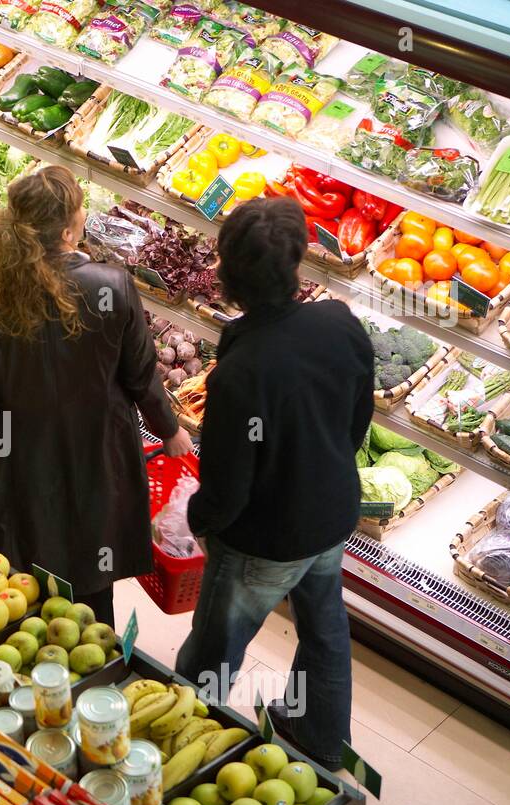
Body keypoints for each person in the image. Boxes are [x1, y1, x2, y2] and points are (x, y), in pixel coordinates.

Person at [175, 196, 374, 771]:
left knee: (216, 646)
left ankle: (185, 749)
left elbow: (230, 483)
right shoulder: (340, 323)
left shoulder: (242, 371)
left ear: (227, 275)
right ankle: (319, 736)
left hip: (265, 538)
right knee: (324, 629)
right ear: (297, 266)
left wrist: (199, 521)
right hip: (332, 515)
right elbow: (356, 420)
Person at [0, 165, 192, 627]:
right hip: (100, 451)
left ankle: (32, 647)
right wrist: (169, 430)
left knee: (27, 557)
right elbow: (141, 375)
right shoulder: (111, 286)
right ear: (68, 228)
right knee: (92, 564)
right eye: (82, 208)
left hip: (22, 451)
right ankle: (95, 658)